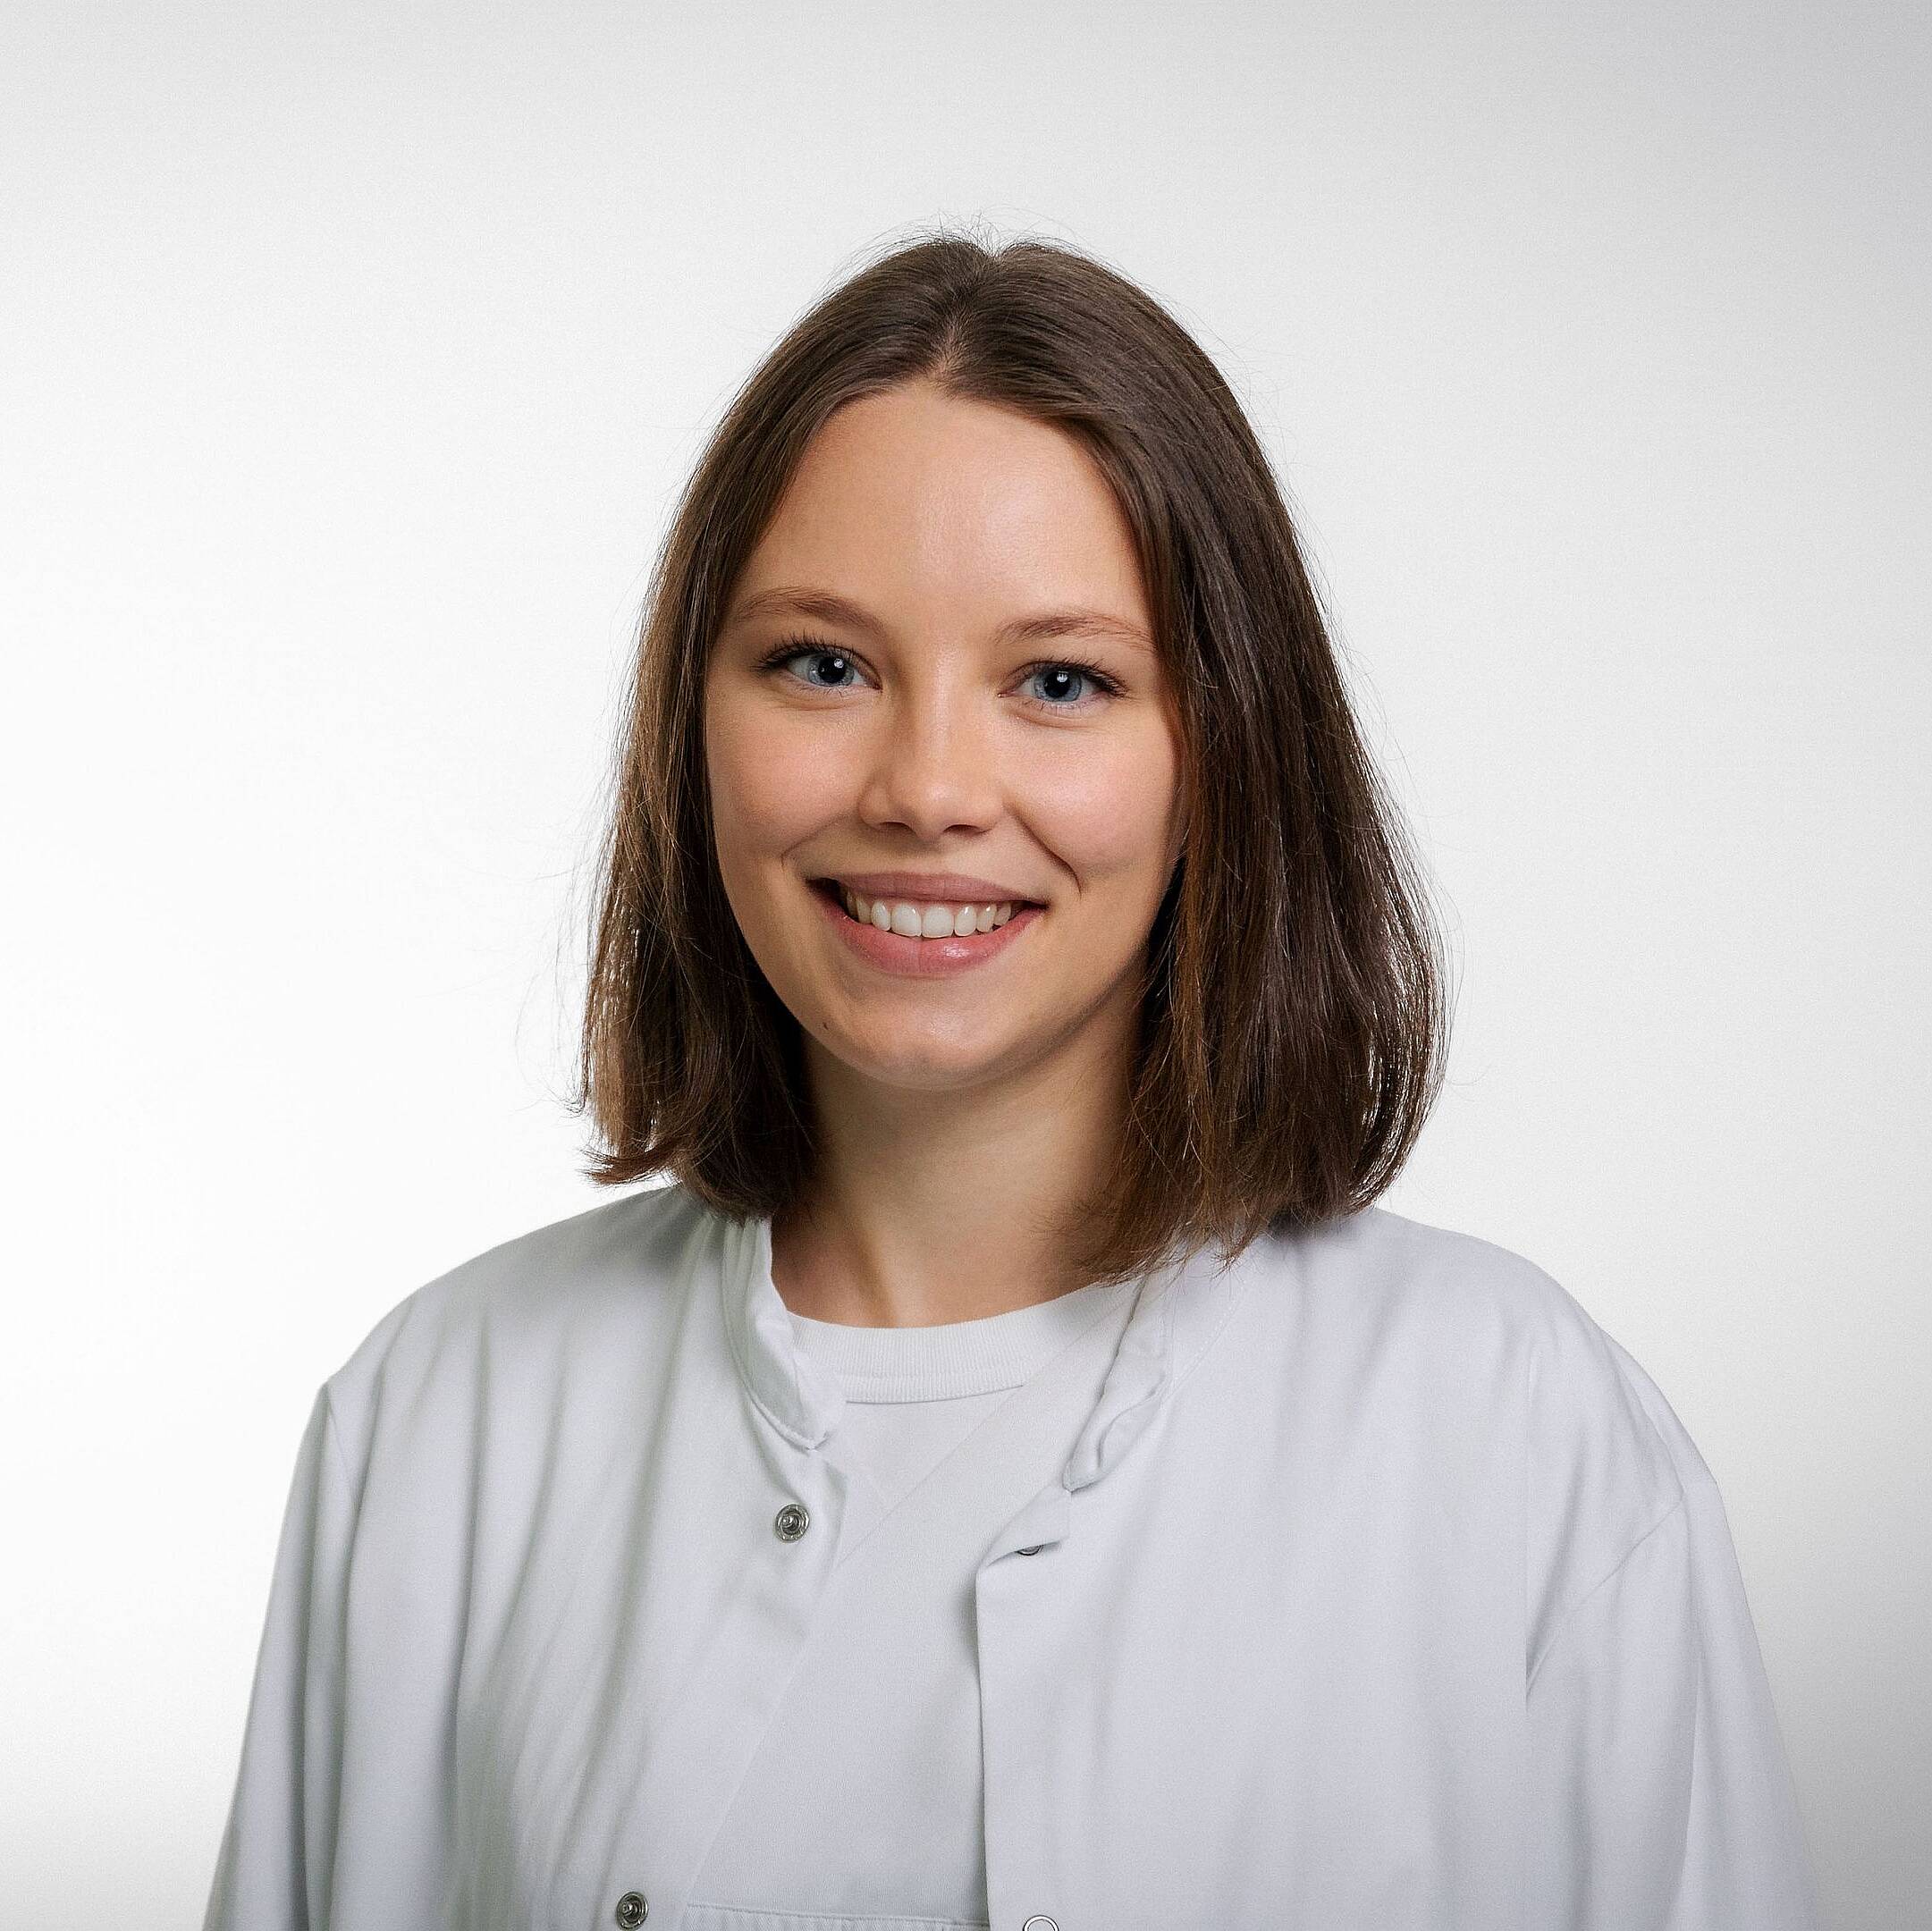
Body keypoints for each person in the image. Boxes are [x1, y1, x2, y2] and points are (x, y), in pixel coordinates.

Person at [202, 232, 1823, 1931]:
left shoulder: (1511, 1425)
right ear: (692, 721)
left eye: (1060, 682)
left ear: (1227, 752)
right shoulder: (443, 1412)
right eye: (822, 664)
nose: (926, 790)